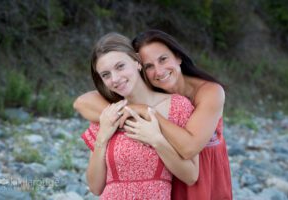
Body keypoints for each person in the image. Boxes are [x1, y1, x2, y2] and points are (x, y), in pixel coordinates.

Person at [75, 30, 233, 200]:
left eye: (163, 59)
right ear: (141, 64)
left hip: (205, 178)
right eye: (149, 65)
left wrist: (147, 114)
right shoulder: (113, 111)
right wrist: (116, 123)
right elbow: (81, 102)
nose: (158, 71)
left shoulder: (204, 94)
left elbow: (189, 151)